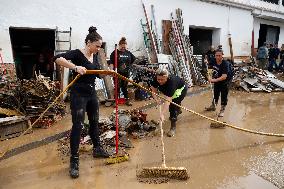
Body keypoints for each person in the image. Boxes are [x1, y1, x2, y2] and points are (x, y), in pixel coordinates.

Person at [53, 26, 110, 179]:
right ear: (89, 42)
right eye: (97, 46)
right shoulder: (77, 53)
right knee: (78, 125)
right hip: (79, 93)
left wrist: (105, 73)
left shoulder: (96, 56)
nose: (98, 49)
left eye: (100, 47)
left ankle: (97, 148)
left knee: (94, 122)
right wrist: (75, 67)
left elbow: (95, 73)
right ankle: (74, 160)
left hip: (92, 93)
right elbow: (57, 58)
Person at [150, 68, 188, 137]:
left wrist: (162, 114)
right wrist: (156, 99)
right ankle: (178, 110)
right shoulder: (156, 78)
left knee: (172, 107)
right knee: (175, 104)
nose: (160, 81)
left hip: (180, 90)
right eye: (159, 79)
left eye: (162, 80)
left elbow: (168, 100)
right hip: (170, 91)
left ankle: (173, 127)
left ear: (167, 77)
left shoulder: (172, 82)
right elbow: (153, 90)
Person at [205, 49, 233, 117]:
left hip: (226, 80)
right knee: (216, 92)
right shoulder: (213, 61)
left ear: (222, 55)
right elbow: (209, 68)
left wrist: (213, 80)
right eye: (216, 55)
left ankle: (222, 110)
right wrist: (209, 76)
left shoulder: (225, 64)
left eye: (219, 55)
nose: (218, 57)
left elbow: (224, 77)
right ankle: (213, 106)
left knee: (224, 94)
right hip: (217, 78)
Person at [109, 37, 136, 106]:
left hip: (126, 73)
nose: (123, 48)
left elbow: (133, 60)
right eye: (122, 47)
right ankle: (116, 101)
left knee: (124, 87)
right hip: (117, 73)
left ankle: (127, 100)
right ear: (119, 45)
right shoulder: (114, 53)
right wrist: (112, 71)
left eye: (125, 47)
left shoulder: (128, 53)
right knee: (117, 87)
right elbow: (111, 63)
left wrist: (129, 66)